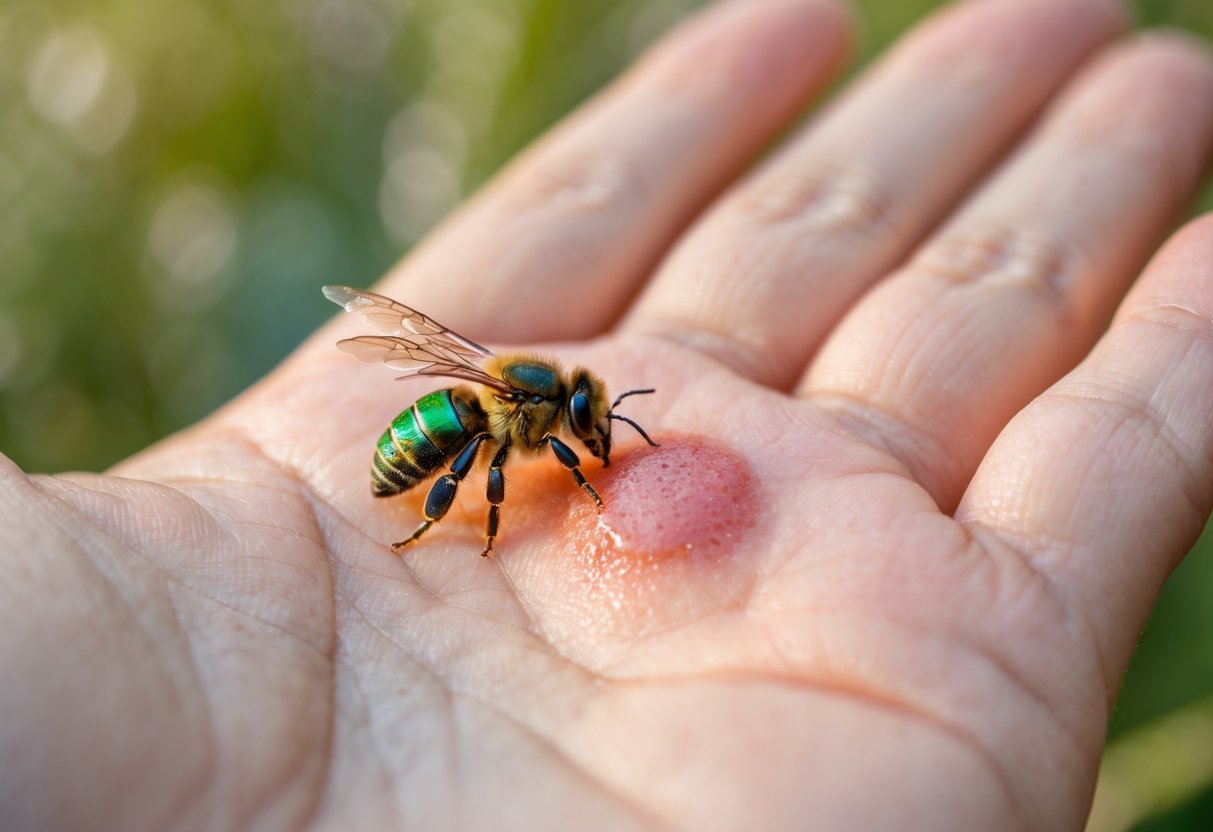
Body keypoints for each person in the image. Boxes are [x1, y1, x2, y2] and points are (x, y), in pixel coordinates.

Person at [3, 0, 1212, 828]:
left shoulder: (537, 401)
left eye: (587, 431)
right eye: (584, 429)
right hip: (423, 452)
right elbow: (487, 438)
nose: (590, 441)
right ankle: (441, 524)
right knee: (466, 455)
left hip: (440, 431)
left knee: (472, 444)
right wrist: (467, 519)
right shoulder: (519, 421)